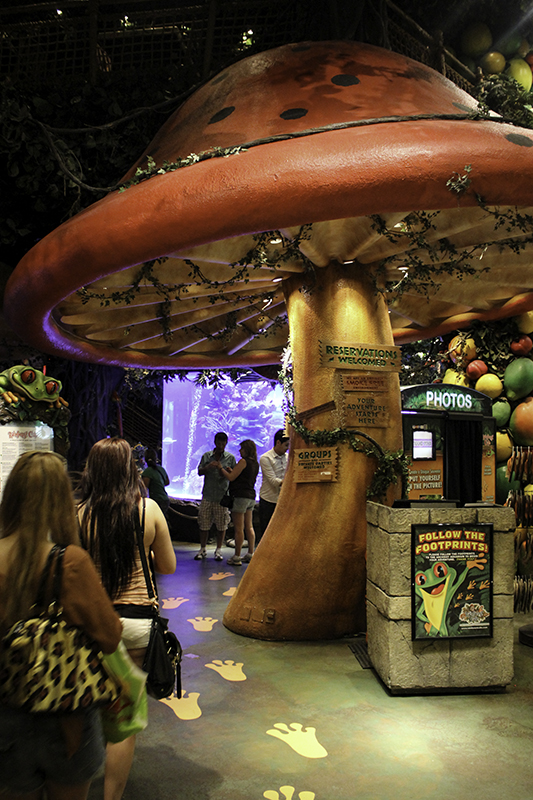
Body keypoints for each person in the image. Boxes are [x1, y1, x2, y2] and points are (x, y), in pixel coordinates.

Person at [0, 450, 123, 800]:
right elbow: (110, 636)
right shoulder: (70, 562)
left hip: (7, 708)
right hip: (66, 714)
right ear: (61, 500)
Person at [77, 437, 176, 800]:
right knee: (123, 721)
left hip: (91, 626)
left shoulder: (79, 513)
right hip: (136, 626)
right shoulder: (148, 510)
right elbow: (167, 566)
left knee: (84, 713)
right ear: (129, 470)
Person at [195, 431, 236, 561]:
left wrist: (223, 469)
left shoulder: (230, 458)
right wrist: (208, 467)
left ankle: (218, 550)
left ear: (226, 443)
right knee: (204, 523)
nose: (221, 445)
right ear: (215, 442)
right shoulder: (207, 456)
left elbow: (234, 476)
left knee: (222, 524)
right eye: (219, 443)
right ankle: (202, 548)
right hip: (207, 494)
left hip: (222, 496)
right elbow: (199, 472)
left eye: (223, 443)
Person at [219, 439, 259, 566]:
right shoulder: (255, 463)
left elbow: (231, 478)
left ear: (246, 449)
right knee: (249, 526)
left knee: (238, 528)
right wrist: (233, 471)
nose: (239, 451)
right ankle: (251, 553)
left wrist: (221, 468)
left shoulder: (243, 461)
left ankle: (237, 556)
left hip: (240, 497)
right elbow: (243, 477)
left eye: (241, 448)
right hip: (251, 496)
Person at [258, 429, 289, 542]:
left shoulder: (288, 457)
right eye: (286, 445)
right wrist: (289, 481)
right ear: (278, 442)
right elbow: (273, 481)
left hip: (283, 500)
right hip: (268, 500)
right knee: (266, 534)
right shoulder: (265, 458)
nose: (287, 448)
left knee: (281, 533)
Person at [142, 448, 170, 517]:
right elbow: (167, 482)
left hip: (156, 500)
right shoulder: (161, 469)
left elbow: (144, 487)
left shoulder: (147, 471)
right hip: (165, 499)